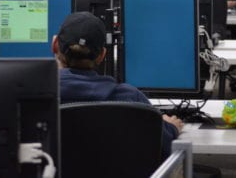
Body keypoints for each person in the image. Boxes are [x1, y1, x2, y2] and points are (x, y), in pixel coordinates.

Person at [52, 12, 183, 158]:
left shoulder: (31, 99)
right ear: (102, 55)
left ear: (55, 45)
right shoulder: (130, 99)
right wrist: (170, 127)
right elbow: (163, 145)